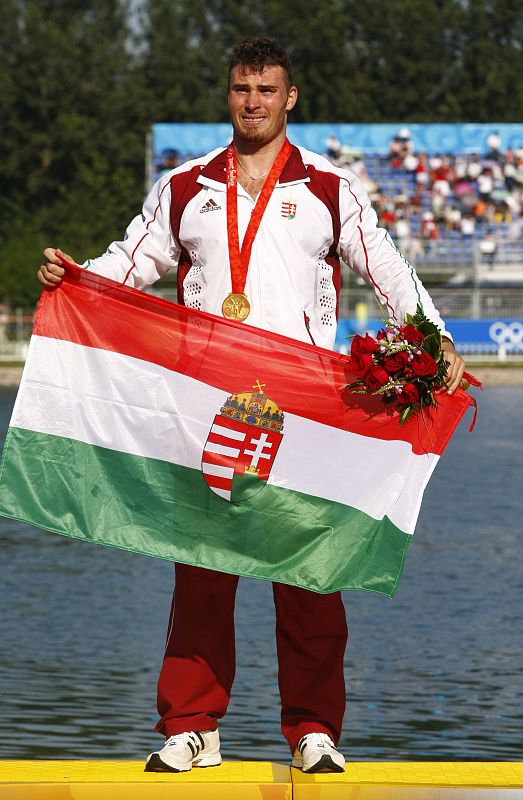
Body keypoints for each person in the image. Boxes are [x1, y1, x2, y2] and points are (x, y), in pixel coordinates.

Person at [37, 36, 466, 775]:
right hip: (206, 405)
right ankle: (192, 727)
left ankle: (313, 731)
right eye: (242, 89)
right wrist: (76, 278)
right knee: (202, 573)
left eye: (267, 90)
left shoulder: (329, 187)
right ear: (228, 94)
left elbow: (385, 267)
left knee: (308, 574)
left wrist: (435, 335)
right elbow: (131, 262)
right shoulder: (185, 186)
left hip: (303, 411)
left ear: (289, 97)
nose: (253, 102)